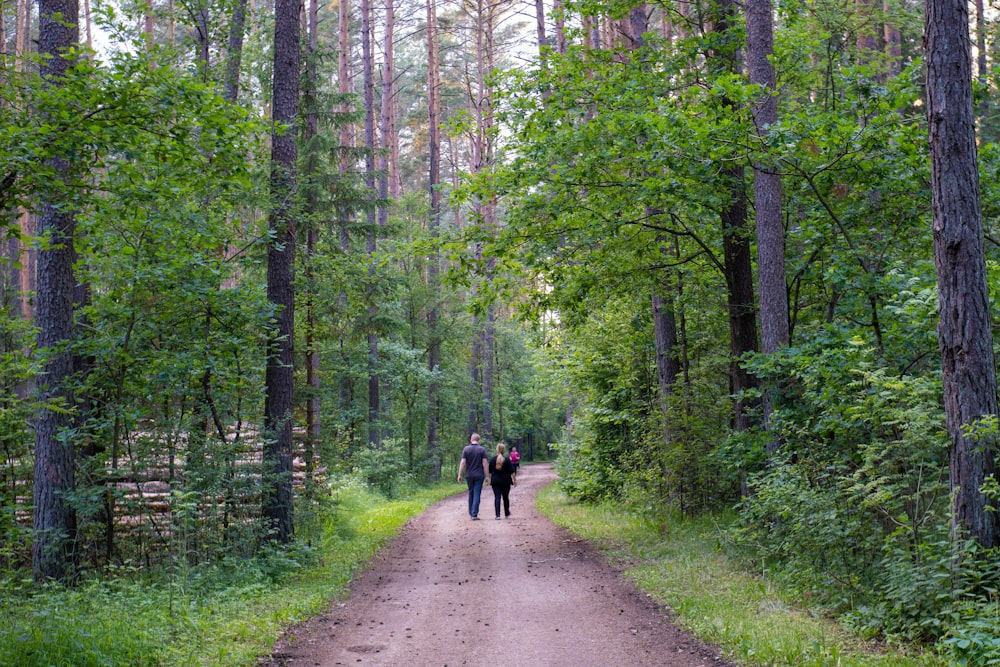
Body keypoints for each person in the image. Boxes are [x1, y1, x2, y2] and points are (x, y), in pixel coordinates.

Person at [457, 433, 488, 520]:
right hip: (479, 475)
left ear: (471, 439)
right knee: (477, 493)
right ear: (479, 440)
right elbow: (485, 463)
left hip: (469, 475)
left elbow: (463, 462)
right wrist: (487, 476)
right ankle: (474, 514)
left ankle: (471, 513)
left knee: (471, 493)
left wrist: (459, 474)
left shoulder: (466, 449)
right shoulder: (482, 450)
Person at [488, 443, 517, 520]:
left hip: (495, 482)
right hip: (506, 481)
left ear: (497, 450)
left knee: (497, 497)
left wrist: (490, 479)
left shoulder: (492, 460)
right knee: (505, 497)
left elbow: (490, 472)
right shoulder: (507, 460)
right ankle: (506, 513)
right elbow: (512, 471)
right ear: (504, 450)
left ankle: (497, 515)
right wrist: (514, 480)